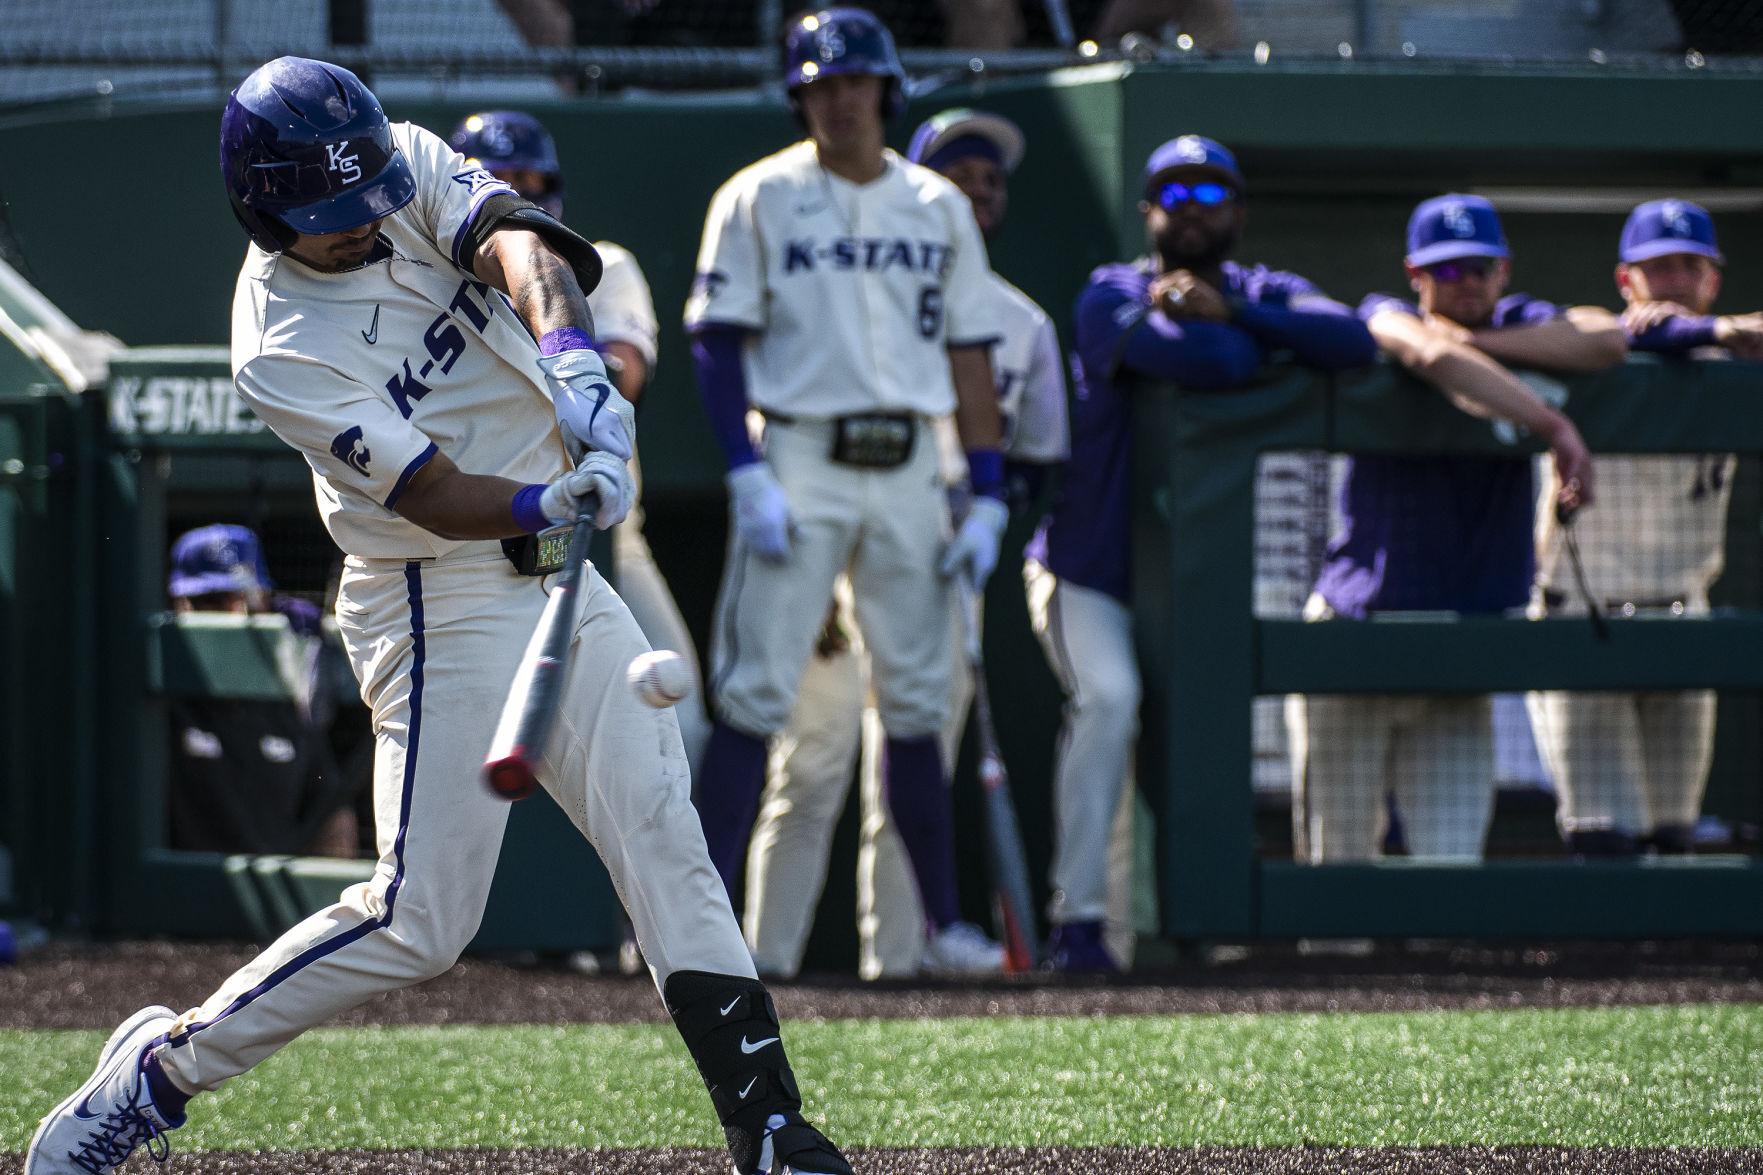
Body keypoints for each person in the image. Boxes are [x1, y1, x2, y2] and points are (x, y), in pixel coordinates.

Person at [25, 58, 850, 1175]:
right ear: (263, 212)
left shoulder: (394, 158)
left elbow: (524, 248)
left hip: (561, 574)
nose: (366, 225)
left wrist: (574, 365)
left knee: (662, 830)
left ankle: (768, 1125)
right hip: (432, 598)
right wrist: (539, 494)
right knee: (421, 918)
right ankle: (159, 1071)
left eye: (369, 200)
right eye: (332, 219)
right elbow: (425, 493)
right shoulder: (278, 343)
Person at [685, 7, 1011, 975]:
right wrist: (744, 472)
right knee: (754, 694)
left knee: (914, 699)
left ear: (884, 89)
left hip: (911, 459)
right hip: (800, 454)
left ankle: (941, 924)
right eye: (820, 84)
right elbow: (714, 340)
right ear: (800, 96)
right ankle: (690, 929)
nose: (838, 99)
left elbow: (969, 352)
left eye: (853, 81)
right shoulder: (757, 195)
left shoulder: (936, 202)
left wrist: (986, 489)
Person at [1027, 134, 1377, 968]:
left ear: (1238, 211)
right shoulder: (1109, 291)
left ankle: (1195, 924)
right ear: (1148, 210)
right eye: (1172, 196)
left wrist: (1239, 314)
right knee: (1108, 704)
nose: (1190, 211)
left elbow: (1355, 341)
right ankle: (1076, 925)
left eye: (1208, 195)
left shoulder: (1263, 291)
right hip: (1088, 568)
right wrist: (1253, 338)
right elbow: (1211, 362)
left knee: (1202, 735)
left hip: (1195, 584)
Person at [741, 107, 1070, 979]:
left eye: (990, 178)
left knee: (910, 752)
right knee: (808, 763)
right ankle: (754, 962)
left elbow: (1036, 458)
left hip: (936, 553)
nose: (976, 188)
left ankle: (901, 958)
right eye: (957, 172)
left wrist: (990, 523)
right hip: (829, 527)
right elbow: (776, 411)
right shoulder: (846, 286)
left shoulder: (1023, 324)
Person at [1290, 193, 1621, 864]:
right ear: (1416, 273)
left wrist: (1476, 341)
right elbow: (1424, 353)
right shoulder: (1383, 311)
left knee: (1449, 865)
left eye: (1477, 268)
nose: (1464, 283)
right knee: (1337, 869)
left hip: (1459, 652)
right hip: (1358, 637)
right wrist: (1552, 423)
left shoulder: (1520, 320)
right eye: (1447, 271)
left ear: (1502, 270)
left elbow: (1607, 337)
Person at [448, 110, 712, 777]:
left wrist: (555, 349)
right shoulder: (432, 295)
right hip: (477, 549)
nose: (515, 193)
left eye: (528, 180)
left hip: (605, 546)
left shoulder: (600, 263)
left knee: (682, 722)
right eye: (497, 178)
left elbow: (621, 372)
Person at [1528, 199, 1763, 855]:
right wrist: (1672, 333)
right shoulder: (1591, 351)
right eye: (1656, 267)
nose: (1674, 280)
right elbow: (1588, 336)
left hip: (1683, 612)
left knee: (1674, 832)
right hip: (1584, 611)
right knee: (1598, 835)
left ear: (1713, 280)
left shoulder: (1733, 362)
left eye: (1689, 265)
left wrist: (1718, 332)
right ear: (1624, 279)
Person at [164, 524, 359, 858]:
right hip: (177, 896)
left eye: (249, 601)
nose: (236, 616)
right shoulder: (160, 704)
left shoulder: (288, 703)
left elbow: (331, 817)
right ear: (181, 605)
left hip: (272, 895)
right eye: (213, 600)